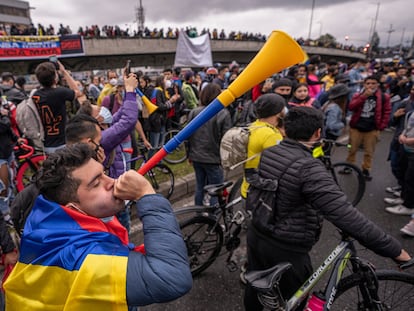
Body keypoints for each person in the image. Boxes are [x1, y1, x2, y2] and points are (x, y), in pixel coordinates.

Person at [243, 106, 411, 311]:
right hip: (287, 247)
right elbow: (346, 216)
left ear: (284, 129)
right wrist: (395, 250)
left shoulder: (272, 151)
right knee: (291, 302)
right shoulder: (309, 168)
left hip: (259, 232)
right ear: (317, 133)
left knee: (255, 290)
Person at [3, 143, 192, 310]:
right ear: (74, 208)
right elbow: (171, 278)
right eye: (96, 183)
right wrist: (146, 195)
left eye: (104, 174)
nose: (112, 182)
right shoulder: (87, 258)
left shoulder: (48, 226)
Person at [187, 83, 232, 206]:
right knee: (216, 189)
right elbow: (226, 139)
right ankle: (214, 217)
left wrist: (189, 154)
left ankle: (198, 213)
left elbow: (187, 136)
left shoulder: (194, 112)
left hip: (196, 156)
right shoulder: (223, 113)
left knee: (199, 187)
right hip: (214, 157)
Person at [345, 75, 391, 181]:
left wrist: (381, 126)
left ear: (378, 85)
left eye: (373, 83)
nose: (370, 85)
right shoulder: (358, 94)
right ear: (364, 84)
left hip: (372, 129)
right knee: (351, 148)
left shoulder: (384, 97)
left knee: (369, 152)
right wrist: (363, 96)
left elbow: (387, 112)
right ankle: (349, 165)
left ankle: (366, 169)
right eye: (368, 83)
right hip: (356, 127)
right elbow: (351, 107)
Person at [31, 61, 81, 153]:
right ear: (55, 77)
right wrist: (64, 72)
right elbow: (78, 92)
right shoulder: (60, 92)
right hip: (61, 142)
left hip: (45, 143)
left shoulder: (35, 95)